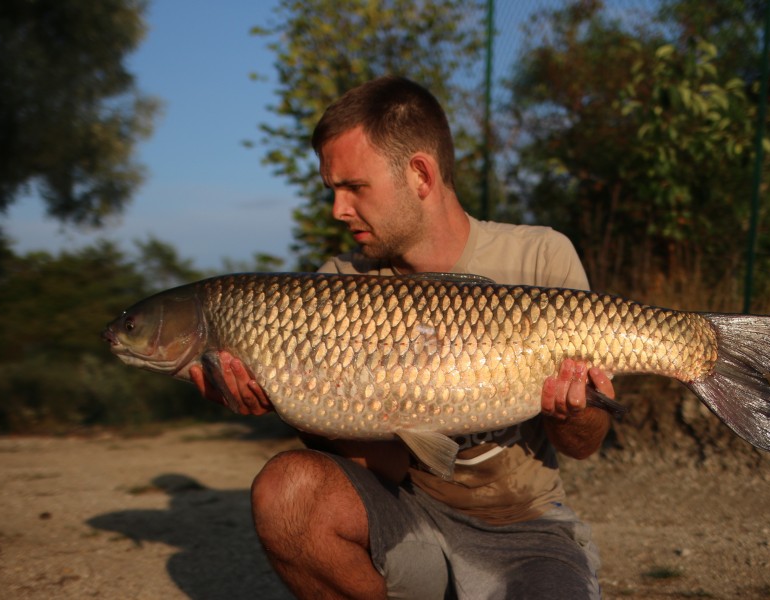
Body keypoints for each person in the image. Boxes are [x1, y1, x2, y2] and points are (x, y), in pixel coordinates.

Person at [190, 75, 615, 599]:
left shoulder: (539, 258)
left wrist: (574, 410)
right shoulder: (335, 288)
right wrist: (286, 399)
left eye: (354, 188)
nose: (338, 210)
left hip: (522, 524)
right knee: (287, 491)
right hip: (401, 509)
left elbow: (583, 445)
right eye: (334, 191)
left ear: (419, 174)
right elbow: (382, 460)